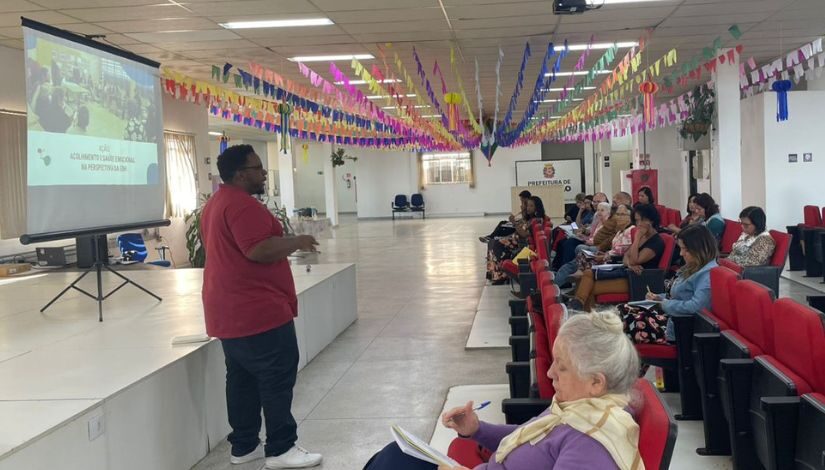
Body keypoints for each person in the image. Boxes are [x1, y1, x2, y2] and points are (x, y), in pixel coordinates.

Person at [362, 312, 643, 470]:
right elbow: (525, 439)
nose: (549, 373)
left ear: (596, 382)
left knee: (390, 462)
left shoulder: (591, 443)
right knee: (394, 455)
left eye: (562, 367)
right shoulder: (577, 408)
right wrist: (476, 429)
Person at [200, 145, 323, 469]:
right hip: (256, 309)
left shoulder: (216, 204)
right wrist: (298, 241)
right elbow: (257, 249)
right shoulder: (242, 205)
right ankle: (281, 448)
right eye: (258, 167)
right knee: (276, 376)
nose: (264, 172)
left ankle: (244, 446)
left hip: (227, 309)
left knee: (240, 379)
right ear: (241, 174)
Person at [622, 224, 718, 344]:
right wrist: (659, 297)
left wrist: (664, 304)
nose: (681, 254)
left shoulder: (707, 274)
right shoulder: (693, 266)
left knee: (626, 318)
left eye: (685, 249)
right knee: (623, 310)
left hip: (680, 328)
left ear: (700, 249)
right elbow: (679, 297)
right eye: (681, 248)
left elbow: (697, 308)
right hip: (671, 318)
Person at [567, 204, 666, 312]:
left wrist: (636, 239)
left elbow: (633, 260)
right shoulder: (643, 236)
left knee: (589, 288)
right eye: (636, 221)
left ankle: (581, 309)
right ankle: (580, 307)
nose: (638, 224)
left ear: (651, 221)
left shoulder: (656, 242)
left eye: (641, 221)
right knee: (587, 273)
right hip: (628, 272)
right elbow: (626, 257)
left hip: (638, 280)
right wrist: (630, 264)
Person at [555, 204, 633, 287]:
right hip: (604, 253)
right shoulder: (619, 230)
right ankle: (560, 284)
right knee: (574, 250)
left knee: (579, 254)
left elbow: (621, 250)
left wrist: (604, 254)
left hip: (612, 259)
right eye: (617, 214)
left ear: (630, 217)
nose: (618, 217)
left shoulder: (630, 230)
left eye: (622, 215)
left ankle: (557, 287)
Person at [486, 196, 546, 284]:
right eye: (527, 205)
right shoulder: (531, 218)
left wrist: (514, 222)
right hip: (516, 240)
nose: (528, 208)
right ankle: (498, 274)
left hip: (521, 244)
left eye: (531, 206)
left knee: (496, 244)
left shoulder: (536, 220)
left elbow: (525, 234)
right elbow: (523, 227)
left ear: (537, 207)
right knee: (493, 242)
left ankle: (501, 274)